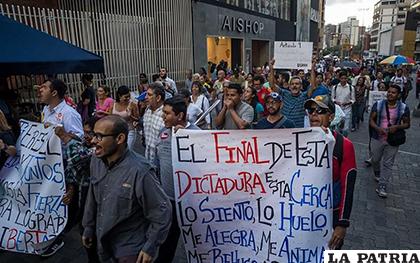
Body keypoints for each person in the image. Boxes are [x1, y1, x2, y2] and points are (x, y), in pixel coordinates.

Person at [82, 115, 171, 263]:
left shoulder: (140, 171)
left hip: (130, 249)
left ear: (120, 138)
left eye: (99, 136)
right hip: (103, 243)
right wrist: (89, 227)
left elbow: (162, 212)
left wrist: (150, 246)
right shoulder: (96, 161)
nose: (93, 141)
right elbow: (92, 196)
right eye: (93, 135)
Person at [304, 94, 357, 250]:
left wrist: (342, 223)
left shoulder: (344, 145)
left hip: (330, 217)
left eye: (320, 111)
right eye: (311, 110)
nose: (314, 114)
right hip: (302, 215)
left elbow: (348, 187)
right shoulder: (298, 140)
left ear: (331, 116)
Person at [38, 78, 84, 256]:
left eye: (44, 87)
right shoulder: (45, 110)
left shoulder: (69, 113)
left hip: (64, 164)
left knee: (64, 201)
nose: (40, 90)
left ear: (54, 92)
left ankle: (59, 235)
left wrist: (63, 133)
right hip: (48, 164)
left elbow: (80, 142)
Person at [154, 96, 199, 263]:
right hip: (168, 200)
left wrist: (187, 138)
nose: (163, 116)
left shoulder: (198, 135)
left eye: (167, 113)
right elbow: (157, 163)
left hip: (192, 201)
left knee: (197, 241)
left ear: (179, 116)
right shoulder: (163, 133)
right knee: (167, 242)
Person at [369, 84, 410, 198]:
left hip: (393, 140)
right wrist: (378, 128)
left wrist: (397, 127)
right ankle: (376, 172)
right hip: (377, 138)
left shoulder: (403, 108)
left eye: (393, 92)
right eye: (389, 92)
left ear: (398, 95)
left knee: (388, 163)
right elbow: (371, 120)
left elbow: (407, 124)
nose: (390, 94)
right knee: (375, 159)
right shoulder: (378, 105)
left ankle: (382, 185)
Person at [143, 82, 165, 163]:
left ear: (158, 98)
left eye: (149, 95)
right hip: (148, 156)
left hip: (161, 159)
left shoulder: (166, 114)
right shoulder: (147, 111)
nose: (145, 97)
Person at [112, 86, 140, 150]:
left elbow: (137, 119)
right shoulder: (113, 104)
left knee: (127, 150)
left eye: (129, 96)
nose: (128, 98)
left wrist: (130, 116)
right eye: (125, 97)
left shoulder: (132, 104)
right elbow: (110, 118)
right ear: (119, 96)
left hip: (129, 131)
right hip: (117, 132)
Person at [331, 72, 355, 136]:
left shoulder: (351, 88)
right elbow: (332, 98)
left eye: (345, 78)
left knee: (345, 129)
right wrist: (336, 102)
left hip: (347, 109)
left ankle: (345, 141)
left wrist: (347, 103)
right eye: (342, 78)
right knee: (337, 127)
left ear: (347, 79)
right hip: (338, 109)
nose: (343, 80)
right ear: (339, 78)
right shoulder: (335, 87)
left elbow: (353, 100)